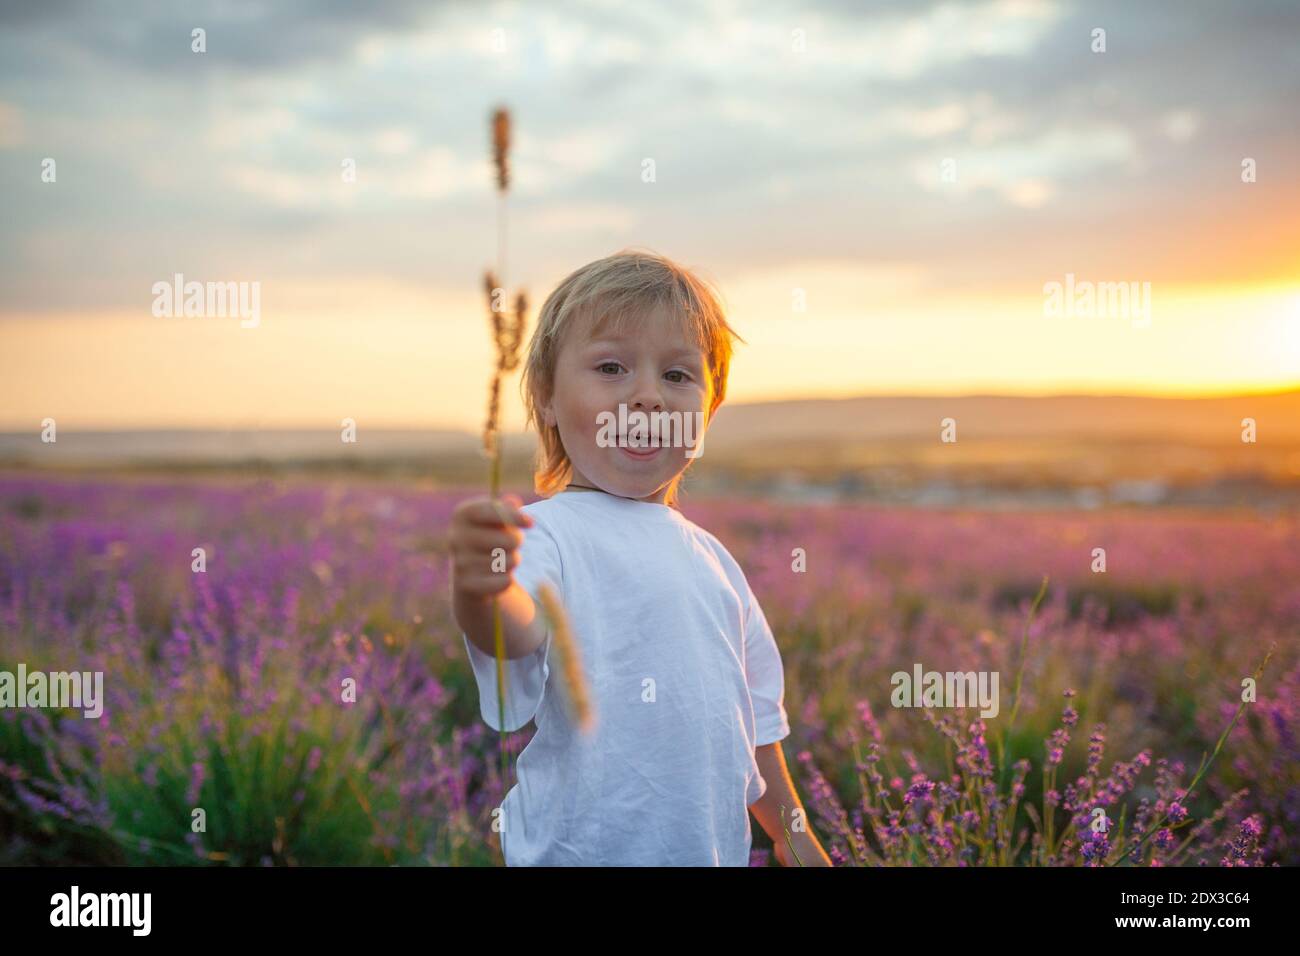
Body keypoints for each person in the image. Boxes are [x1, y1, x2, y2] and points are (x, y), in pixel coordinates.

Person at [450, 248, 832, 866]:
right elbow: (515, 631)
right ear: (546, 397)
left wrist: (795, 838)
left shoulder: (714, 562)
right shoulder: (546, 534)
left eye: (678, 376)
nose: (648, 396)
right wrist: (483, 588)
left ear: (707, 412)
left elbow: (755, 726)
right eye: (611, 367)